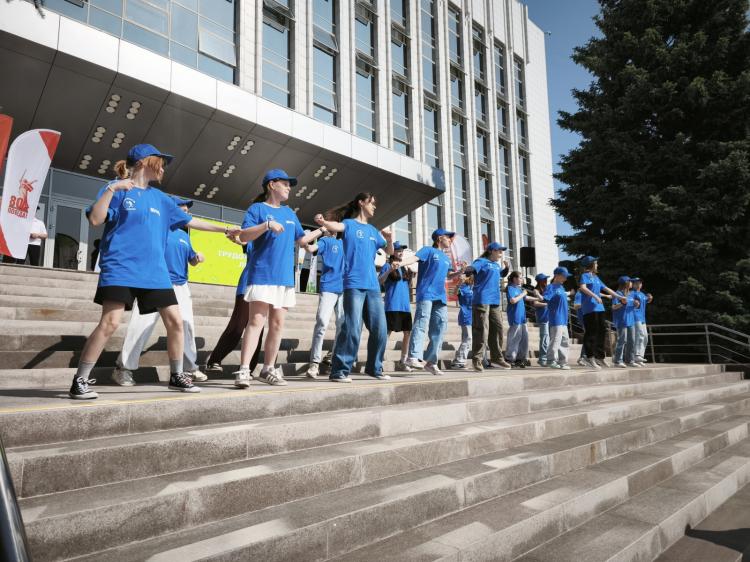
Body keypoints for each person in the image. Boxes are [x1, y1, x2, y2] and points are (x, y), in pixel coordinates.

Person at [68, 144, 239, 399]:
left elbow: (192, 221)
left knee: (176, 322)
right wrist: (113, 189)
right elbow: (95, 219)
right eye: (161, 163)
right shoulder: (117, 188)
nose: (164, 168)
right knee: (110, 322)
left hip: (155, 273)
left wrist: (225, 229)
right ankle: (80, 380)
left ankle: (177, 376)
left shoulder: (161, 198)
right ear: (144, 163)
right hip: (121, 267)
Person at [233, 169, 323, 387]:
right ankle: (244, 370)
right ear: (272, 185)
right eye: (285, 184)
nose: (289, 188)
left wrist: (322, 229)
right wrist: (266, 225)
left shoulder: (289, 213)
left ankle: (268, 369)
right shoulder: (257, 209)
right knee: (256, 321)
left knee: (277, 324)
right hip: (262, 274)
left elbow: (302, 240)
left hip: (284, 278)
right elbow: (244, 236)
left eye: (289, 185)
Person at [111, 197, 208, 386]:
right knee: (141, 326)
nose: (186, 214)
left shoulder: (184, 236)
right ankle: (122, 369)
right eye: (182, 211)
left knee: (186, 326)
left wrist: (197, 258)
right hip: (155, 282)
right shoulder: (156, 229)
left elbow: (191, 259)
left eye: (187, 211)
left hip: (181, 286)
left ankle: (189, 369)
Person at [314, 192, 395, 383]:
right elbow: (336, 226)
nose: (374, 207)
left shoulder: (373, 231)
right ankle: (339, 371)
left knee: (380, 329)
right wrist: (323, 222)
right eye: (371, 203)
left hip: (373, 286)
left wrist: (389, 239)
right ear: (361, 203)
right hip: (353, 284)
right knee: (352, 328)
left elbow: (389, 252)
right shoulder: (349, 224)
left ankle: (374, 368)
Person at [401, 229, 463, 376]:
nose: (450, 240)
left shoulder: (446, 258)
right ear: (440, 238)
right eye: (448, 237)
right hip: (426, 293)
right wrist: (399, 263)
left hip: (440, 296)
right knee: (421, 323)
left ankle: (431, 362)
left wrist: (460, 272)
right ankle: (413, 357)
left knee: (440, 327)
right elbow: (414, 258)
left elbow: (449, 275)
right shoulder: (428, 250)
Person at [204, 239, 263, 376]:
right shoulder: (255, 238)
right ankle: (214, 360)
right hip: (248, 283)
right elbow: (242, 239)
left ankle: (248, 369)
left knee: (258, 330)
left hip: (265, 286)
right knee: (237, 326)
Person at [305, 228, 345, 378]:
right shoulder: (325, 241)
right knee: (322, 322)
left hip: (345, 289)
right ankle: (314, 363)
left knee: (342, 325)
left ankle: (333, 358)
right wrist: (305, 241)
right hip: (329, 286)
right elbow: (311, 248)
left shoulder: (347, 243)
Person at [466, 242, 511, 372]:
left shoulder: (496, 265)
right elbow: (473, 268)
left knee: (498, 328)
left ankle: (497, 358)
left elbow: (501, 274)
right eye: (499, 251)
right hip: (482, 300)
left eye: (502, 251)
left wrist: (507, 269)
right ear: (491, 251)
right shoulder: (481, 261)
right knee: (481, 330)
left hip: (494, 301)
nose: (501, 253)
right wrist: (469, 269)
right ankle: (477, 359)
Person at [577, 256, 627, 370]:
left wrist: (619, 297)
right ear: (591, 264)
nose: (597, 265)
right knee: (591, 333)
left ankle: (600, 357)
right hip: (590, 309)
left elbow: (606, 288)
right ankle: (589, 357)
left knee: (602, 332)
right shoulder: (585, 276)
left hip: (600, 308)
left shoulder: (596, 277)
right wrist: (595, 296)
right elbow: (583, 288)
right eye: (596, 263)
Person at [379, 241, 414, 372]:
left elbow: (406, 286)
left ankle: (402, 362)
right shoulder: (387, 265)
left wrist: (411, 276)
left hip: (405, 306)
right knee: (387, 333)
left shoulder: (404, 267)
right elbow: (380, 281)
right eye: (398, 250)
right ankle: (378, 361)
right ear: (393, 252)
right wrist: (389, 270)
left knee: (407, 333)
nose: (401, 252)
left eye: (402, 250)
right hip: (392, 305)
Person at [505, 271, 544, 367]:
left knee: (524, 339)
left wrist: (538, 298)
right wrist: (523, 294)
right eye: (520, 277)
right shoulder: (510, 288)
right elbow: (513, 300)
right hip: (515, 317)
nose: (522, 279)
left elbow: (526, 297)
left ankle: (520, 359)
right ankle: (510, 359)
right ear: (514, 279)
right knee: (514, 338)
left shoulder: (519, 289)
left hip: (522, 318)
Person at [545, 267, 572, 369]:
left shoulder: (561, 287)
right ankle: (550, 360)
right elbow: (546, 298)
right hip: (556, 318)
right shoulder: (551, 287)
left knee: (565, 341)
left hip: (564, 319)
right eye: (564, 276)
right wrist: (538, 295)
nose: (566, 278)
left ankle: (563, 362)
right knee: (556, 340)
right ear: (557, 275)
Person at [612, 275, 639, 368]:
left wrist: (636, 304)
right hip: (622, 320)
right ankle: (617, 361)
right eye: (630, 281)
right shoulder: (617, 294)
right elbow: (613, 307)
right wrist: (622, 303)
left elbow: (631, 306)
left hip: (631, 320)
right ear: (626, 283)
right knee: (622, 340)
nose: (632, 283)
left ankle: (630, 360)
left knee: (632, 341)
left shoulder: (630, 294)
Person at [450, 272, 474, 369]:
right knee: (468, 338)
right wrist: (459, 283)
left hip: (473, 317)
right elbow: (453, 293)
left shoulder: (475, 287)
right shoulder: (464, 287)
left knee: (468, 339)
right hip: (465, 315)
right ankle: (459, 361)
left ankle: (458, 360)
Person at [631, 277, 652, 364]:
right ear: (632, 284)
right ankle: (636, 355)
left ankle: (640, 357)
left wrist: (649, 298)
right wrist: (633, 302)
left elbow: (646, 301)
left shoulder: (642, 294)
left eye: (640, 283)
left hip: (642, 318)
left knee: (645, 338)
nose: (638, 285)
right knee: (640, 335)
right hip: (636, 317)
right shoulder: (631, 293)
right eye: (636, 283)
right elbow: (629, 301)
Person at [532, 273, 550, 366]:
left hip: (549, 316)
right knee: (544, 338)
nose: (546, 281)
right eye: (544, 279)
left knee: (548, 338)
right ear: (540, 281)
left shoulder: (547, 289)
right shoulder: (536, 290)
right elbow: (535, 303)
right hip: (542, 317)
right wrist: (547, 304)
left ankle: (548, 358)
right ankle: (542, 359)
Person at [572, 290, 588, 366]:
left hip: (590, 318)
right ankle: (582, 358)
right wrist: (587, 303)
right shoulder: (579, 294)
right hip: (584, 319)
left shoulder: (588, 293)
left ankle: (586, 357)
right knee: (588, 337)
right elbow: (575, 306)